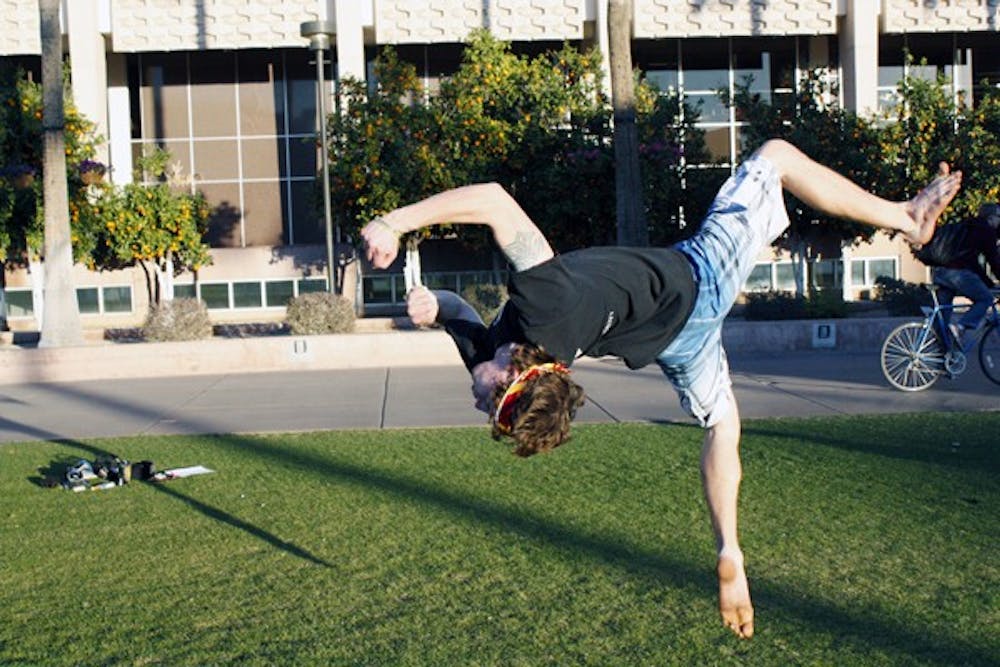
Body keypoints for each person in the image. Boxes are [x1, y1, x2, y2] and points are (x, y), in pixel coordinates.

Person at [360, 138, 963, 639]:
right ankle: (904, 218)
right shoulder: (547, 308)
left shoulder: (495, 359)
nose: (477, 399)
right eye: (493, 402)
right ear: (521, 372)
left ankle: (731, 548)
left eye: (487, 409)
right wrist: (395, 221)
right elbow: (493, 200)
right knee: (775, 157)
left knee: (723, 423)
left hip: (676, 345)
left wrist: (430, 303)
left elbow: (456, 310)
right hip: (699, 279)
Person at [913, 202, 1000, 343]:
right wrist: (991, 281)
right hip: (957, 273)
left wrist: (986, 280)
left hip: (939, 271)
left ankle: (944, 357)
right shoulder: (986, 230)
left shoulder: (966, 226)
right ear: (991, 217)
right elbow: (993, 261)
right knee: (985, 299)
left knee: (943, 317)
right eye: (998, 217)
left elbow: (972, 261)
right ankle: (961, 326)